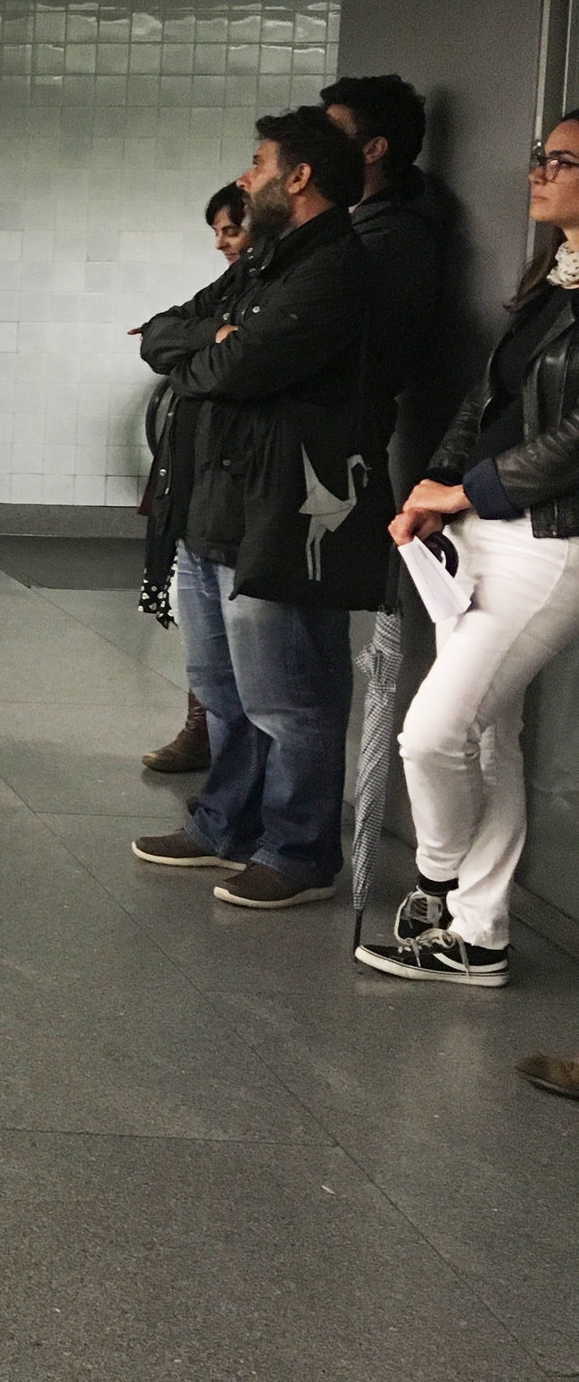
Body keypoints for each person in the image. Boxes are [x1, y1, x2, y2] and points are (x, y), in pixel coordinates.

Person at [132, 108, 391, 910]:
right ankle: (224, 826)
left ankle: (299, 850)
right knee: (222, 687)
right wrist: (213, 335)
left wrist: (212, 349)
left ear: (299, 176)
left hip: (282, 513)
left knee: (291, 695)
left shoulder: (334, 268)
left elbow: (236, 366)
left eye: (257, 162)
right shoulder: (264, 260)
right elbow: (161, 334)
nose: (246, 177)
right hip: (217, 504)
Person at [363, 112, 579, 986]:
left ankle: (435, 877)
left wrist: (471, 489)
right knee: (490, 739)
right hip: (478, 530)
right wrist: (437, 485)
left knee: (434, 732)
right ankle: (478, 932)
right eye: (541, 155)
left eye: (562, 160)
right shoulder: (552, 280)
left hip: (550, 542)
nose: (539, 170)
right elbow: (484, 401)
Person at [137, 183, 254, 774]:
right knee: (202, 628)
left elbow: (218, 370)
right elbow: (158, 332)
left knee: (240, 645)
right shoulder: (232, 285)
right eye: (215, 231)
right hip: (193, 469)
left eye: (230, 230)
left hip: (235, 480)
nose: (221, 244)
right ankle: (201, 728)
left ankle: (215, 742)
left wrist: (190, 357)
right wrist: (208, 337)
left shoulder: (284, 285)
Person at [323, 74, 445, 476]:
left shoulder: (392, 238)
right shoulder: (358, 221)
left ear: (374, 149)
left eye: (331, 135)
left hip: (340, 431)